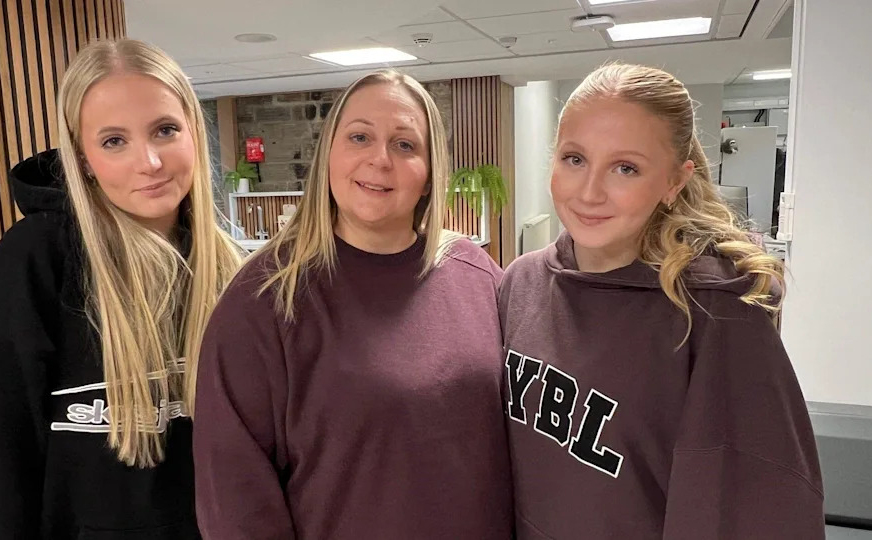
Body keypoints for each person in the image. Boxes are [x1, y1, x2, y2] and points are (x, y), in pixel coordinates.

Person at [0, 39, 241, 539]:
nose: (151, 162)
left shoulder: (232, 272)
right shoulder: (36, 259)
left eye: (165, 130)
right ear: (83, 158)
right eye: (114, 141)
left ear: (194, 136)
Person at [500, 63, 824, 539]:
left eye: (625, 167)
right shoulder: (520, 283)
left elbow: (749, 507)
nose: (589, 192)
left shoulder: (716, 312)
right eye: (574, 159)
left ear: (674, 181)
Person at [193, 69, 513, 539]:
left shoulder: (477, 275)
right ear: (328, 157)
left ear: (429, 175)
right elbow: (234, 496)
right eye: (359, 137)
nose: (380, 159)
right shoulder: (265, 298)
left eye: (405, 145)